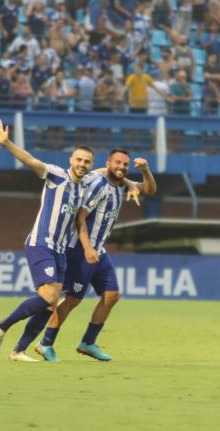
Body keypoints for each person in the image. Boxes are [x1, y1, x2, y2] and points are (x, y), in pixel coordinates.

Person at [19, 149, 158, 362]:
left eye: (125, 165)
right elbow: (80, 218)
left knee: (112, 295)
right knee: (72, 300)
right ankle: (45, 343)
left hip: (100, 250)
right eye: (117, 163)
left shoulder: (120, 184)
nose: (121, 167)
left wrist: (145, 170)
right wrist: (87, 249)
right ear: (108, 163)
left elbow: (149, 189)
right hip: (81, 250)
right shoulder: (96, 185)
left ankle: (88, 342)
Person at [0, 120, 95, 361]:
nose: (82, 164)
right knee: (49, 297)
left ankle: (18, 351)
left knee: (50, 304)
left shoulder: (84, 188)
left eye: (87, 161)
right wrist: (6, 144)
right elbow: (30, 161)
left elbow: (103, 175)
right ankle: (1, 325)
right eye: (78, 160)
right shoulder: (56, 175)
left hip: (60, 250)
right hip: (41, 243)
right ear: (71, 160)